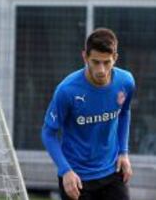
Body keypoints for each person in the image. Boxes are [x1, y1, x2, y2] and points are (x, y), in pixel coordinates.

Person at [41, 28, 135, 200]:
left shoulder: (126, 82)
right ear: (85, 57)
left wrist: (123, 152)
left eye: (106, 62)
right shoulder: (67, 91)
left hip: (112, 171)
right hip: (77, 177)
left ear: (115, 58)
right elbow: (48, 133)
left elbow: (124, 113)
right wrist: (65, 170)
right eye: (95, 62)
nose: (101, 70)